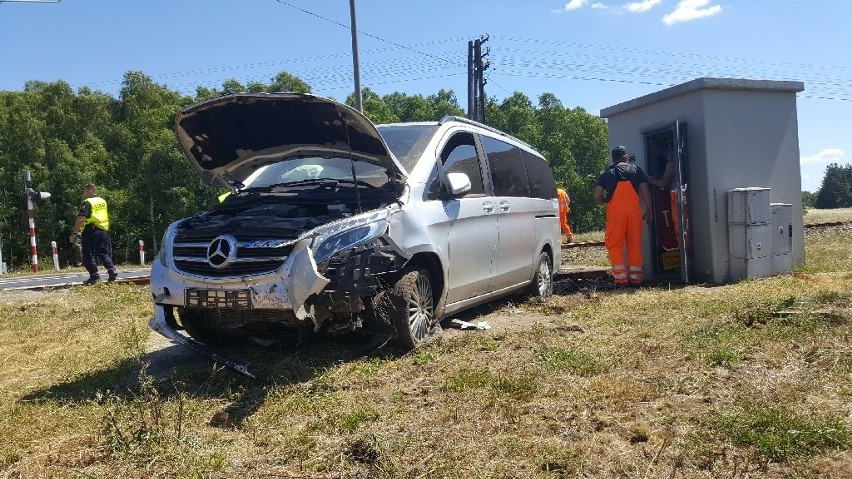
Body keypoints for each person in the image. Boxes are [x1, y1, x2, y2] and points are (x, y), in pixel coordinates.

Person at [594, 146, 653, 286]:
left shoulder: (606, 173)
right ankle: (636, 278)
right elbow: (645, 191)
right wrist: (650, 209)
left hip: (615, 213)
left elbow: (597, 196)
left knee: (614, 245)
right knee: (635, 244)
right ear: (625, 157)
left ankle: (621, 279)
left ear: (614, 159)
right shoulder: (636, 170)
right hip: (634, 212)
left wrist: (605, 201)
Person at [71, 183, 117, 285]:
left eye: (85, 190)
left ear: (91, 190)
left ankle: (94, 276)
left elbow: (81, 218)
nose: (84, 193)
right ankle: (111, 270)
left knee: (87, 253)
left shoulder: (87, 202)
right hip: (103, 229)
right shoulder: (102, 201)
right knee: (102, 252)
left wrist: (75, 231)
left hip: (91, 230)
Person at [649, 148, 683, 247]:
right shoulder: (683, 162)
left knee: (677, 225)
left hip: (676, 197)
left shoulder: (672, 163)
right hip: (682, 196)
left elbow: (663, 183)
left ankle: (679, 249)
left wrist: (652, 180)